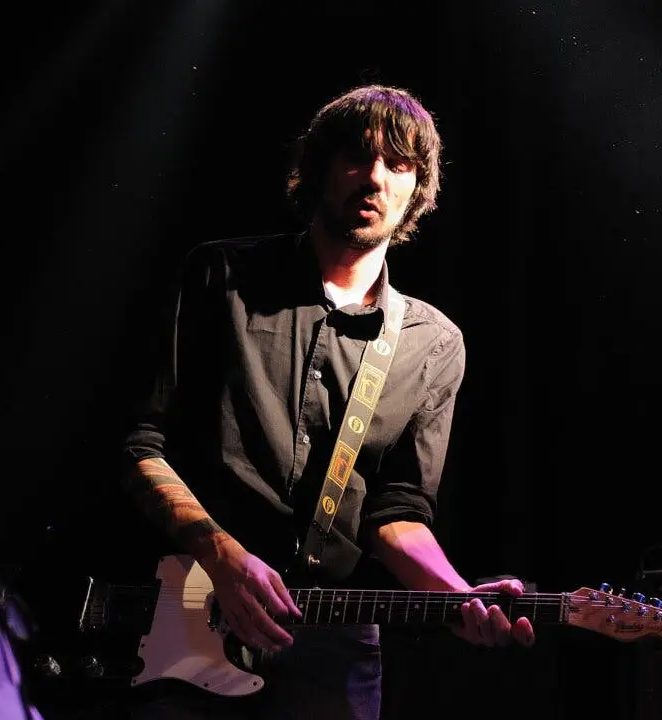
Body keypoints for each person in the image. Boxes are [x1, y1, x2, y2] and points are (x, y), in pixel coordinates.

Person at [120, 84, 534, 720]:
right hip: (188, 612)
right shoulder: (219, 278)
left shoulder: (433, 343)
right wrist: (221, 553)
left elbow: (396, 511)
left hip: (332, 648)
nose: (374, 178)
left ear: (417, 188)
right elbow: (141, 444)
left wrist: (457, 596)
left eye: (398, 164)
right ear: (318, 169)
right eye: (355, 157)